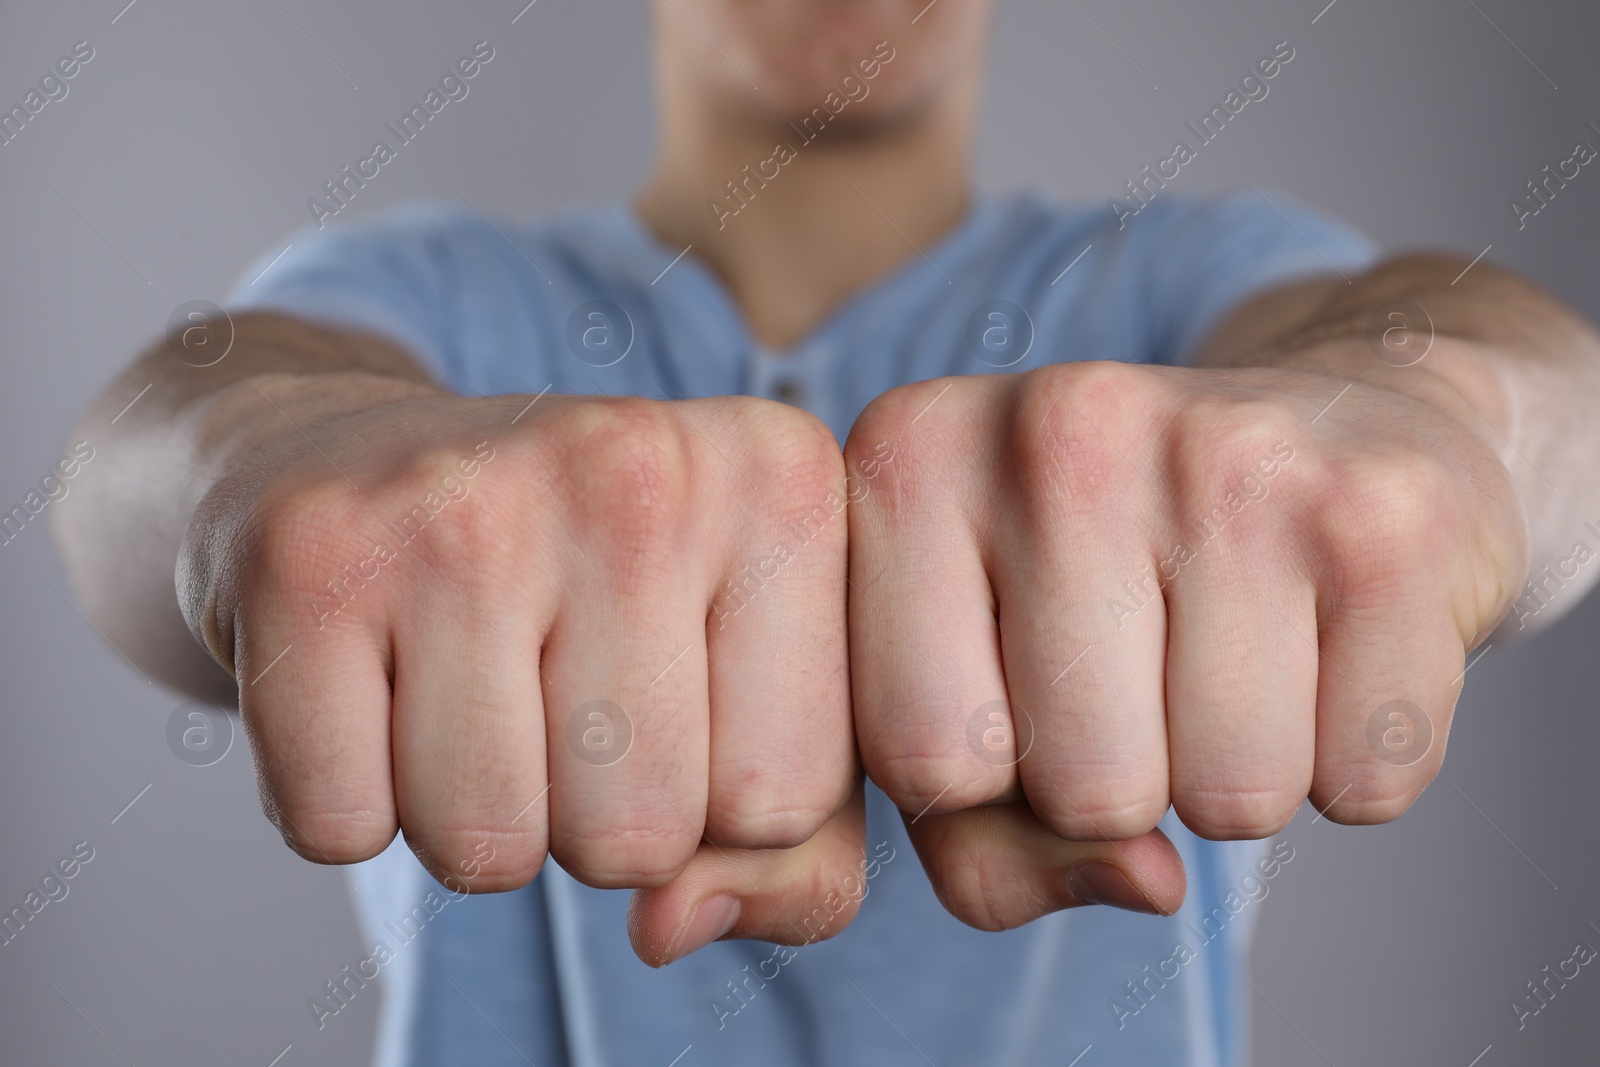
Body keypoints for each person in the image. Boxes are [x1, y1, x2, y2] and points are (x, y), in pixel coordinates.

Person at [52, 1, 1600, 1064]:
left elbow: (1493, 376)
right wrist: (271, 476)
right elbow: (157, 454)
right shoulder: (432, 290)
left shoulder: (1184, 281)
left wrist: (1447, 424)